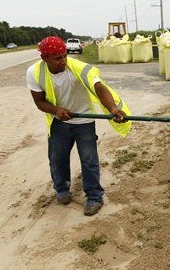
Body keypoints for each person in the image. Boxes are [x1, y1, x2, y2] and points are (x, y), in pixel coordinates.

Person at [26, 36, 131, 216]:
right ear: (44, 58)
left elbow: (99, 88)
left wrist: (112, 108)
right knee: (57, 158)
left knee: (89, 159)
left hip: (83, 121)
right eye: (58, 58)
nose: (64, 61)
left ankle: (94, 197)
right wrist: (55, 110)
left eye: (64, 55)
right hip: (59, 122)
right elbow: (39, 101)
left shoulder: (78, 68)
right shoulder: (34, 72)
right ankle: (62, 189)